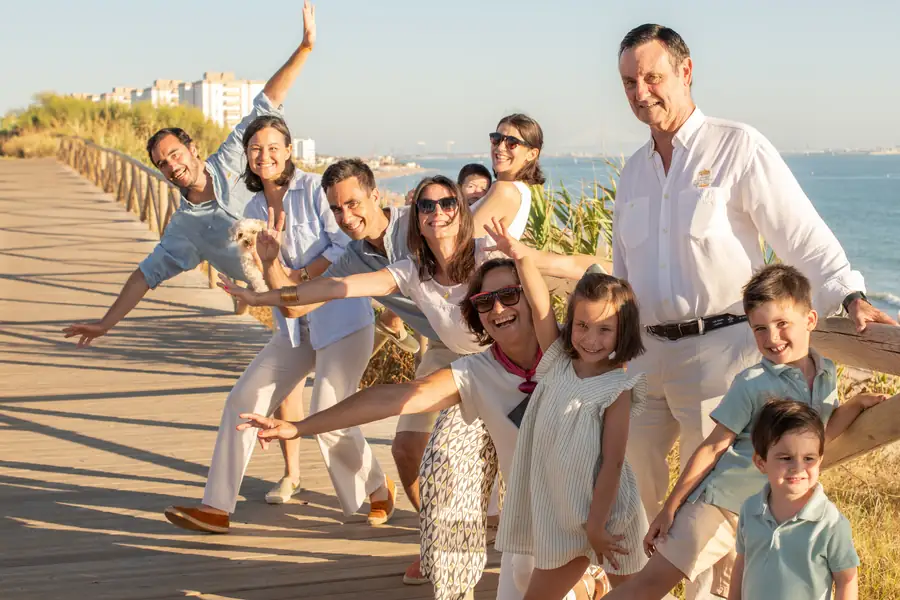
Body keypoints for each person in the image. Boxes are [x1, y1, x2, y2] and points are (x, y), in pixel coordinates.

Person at [612, 24, 897, 599]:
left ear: (685, 73)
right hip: (645, 356)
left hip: (721, 356)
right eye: (629, 82)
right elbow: (622, 272)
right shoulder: (633, 171)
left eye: (652, 77)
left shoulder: (736, 146)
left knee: (716, 508)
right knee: (636, 490)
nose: (641, 92)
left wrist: (850, 295)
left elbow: (802, 236)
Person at [236, 258, 609, 600]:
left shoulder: (576, 350)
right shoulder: (476, 373)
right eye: (483, 302)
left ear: (531, 298)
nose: (497, 308)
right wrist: (299, 427)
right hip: (526, 528)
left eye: (509, 295)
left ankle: (589, 578)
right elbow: (393, 398)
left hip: (590, 516)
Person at [162, 114, 390, 534]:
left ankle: (376, 487)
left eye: (272, 147)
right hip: (294, 326)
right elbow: (265, 270)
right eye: (255, 149)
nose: (263, 156)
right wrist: (267, 266)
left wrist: (300, 281)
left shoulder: (316, 190)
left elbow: (344, 246)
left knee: (328, 411)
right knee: (243, 398)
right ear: (248, 158)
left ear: (288, 150)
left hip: (342, 319)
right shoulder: (251, 210)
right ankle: (216, 506)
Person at [603, 265, 885, 600]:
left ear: (810, 320)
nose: (772, 338)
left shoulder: (826, 374)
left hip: (763, 518)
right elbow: (712, 448)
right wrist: (671, 508)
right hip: (719, 505)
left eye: (782, 324)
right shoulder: (752, 384)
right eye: (760, 329)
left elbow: (820, 433)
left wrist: (855, 405)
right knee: (648, 587)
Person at [62, 1, 319, 347]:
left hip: (315, 275)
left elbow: (268, 101)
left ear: (193, 149)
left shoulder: (232, 155)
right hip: (277, 302)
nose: (171, 165)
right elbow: (144, 276)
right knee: (286, 392)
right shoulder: (185, 228)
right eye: (162, 164)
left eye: (174, 154)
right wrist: (106, 323)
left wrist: (304, 48)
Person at [490, 218, 648, 598]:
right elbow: (541, 306)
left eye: (604, 330)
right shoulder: (559, 360)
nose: (590, 339)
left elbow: (612, 462)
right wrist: (521, 257)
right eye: (582, 326)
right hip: (559, 508)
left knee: (636, 592)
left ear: (622, 332)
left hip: (602, 512)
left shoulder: (617, 388)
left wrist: (596, 525)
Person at [728, 399, 860, 600]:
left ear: (820, 460)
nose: (798, 468)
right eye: (785, 458)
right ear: (761, 462)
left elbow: (846, 579)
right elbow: (742, 564)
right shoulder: (750, 509)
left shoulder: (830, 523)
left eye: (809, 459)